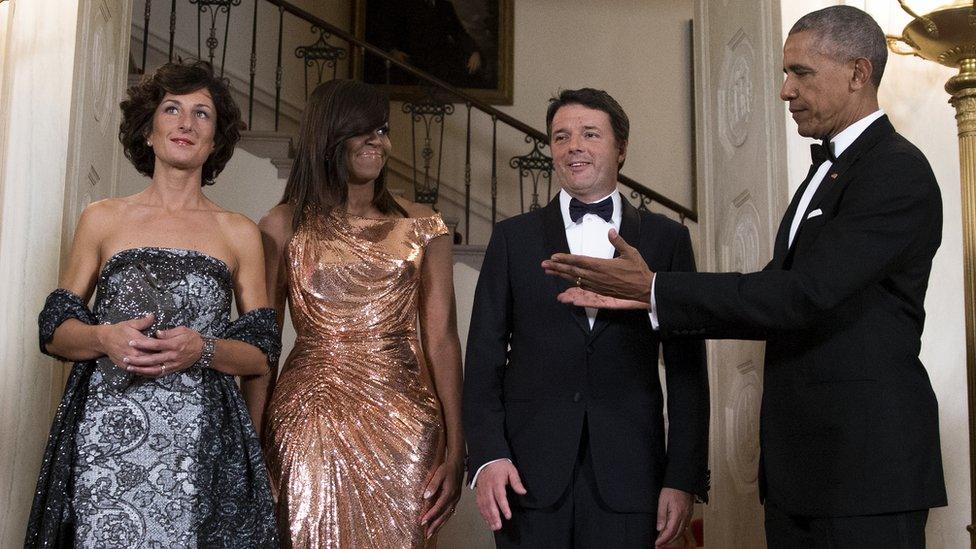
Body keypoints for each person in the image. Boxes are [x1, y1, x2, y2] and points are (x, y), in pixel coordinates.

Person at [544, 7, 947, 547]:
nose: (785, 90)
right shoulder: (828, 171)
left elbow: (802, 295)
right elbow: (780, 287)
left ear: (857, 73)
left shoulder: (896, 169)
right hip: (804, 475)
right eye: (785, 73)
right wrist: (654, 297)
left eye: (801, 73)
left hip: (865, 469)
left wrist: (657, 288)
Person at [26, 61, 279, 548]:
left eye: (201, 113)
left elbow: (261, 353)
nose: (186, 123)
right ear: (148, 129)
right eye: (172, 109)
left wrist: (201, 349)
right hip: (104, 432)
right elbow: (54, 328)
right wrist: (103, 336)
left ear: (215, 138)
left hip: (203, 446)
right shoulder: (102, 219)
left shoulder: (239, 232)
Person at [463, 88, 709, 548]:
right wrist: (487, 456)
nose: (573, 145)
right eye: (560, 137)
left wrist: (683, 476)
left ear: (621, 149)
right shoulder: (512, 238)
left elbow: (687, 371)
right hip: (526, 477)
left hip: (634, 477)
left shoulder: (667, 239)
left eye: (590, 134)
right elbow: (482, 359)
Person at [250, 79, 464, 547]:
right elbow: (261, 347)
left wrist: (457, 443)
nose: (379, 142)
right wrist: (250, 448)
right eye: (362, 130)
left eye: (382, 130)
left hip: (406, 420)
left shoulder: (423, 225)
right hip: (309, 419)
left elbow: (442, 339)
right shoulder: (282, 226)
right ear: (328, 135)